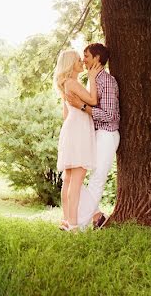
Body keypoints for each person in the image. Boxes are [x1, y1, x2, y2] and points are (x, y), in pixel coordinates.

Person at [53, 49, 102, 231]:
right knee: (75, 181)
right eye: (78, 60)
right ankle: (73, 224)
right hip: (78, 131)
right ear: (70, 64)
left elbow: (66, 114)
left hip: (72, 129)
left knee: (68, 180)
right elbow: (93, 100)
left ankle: (66, 221)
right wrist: (92, 77)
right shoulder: (72, 83)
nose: (82, 62)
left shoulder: (65, 84)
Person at [75, 43, 120, 229]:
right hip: (94, 135)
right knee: (72, 177)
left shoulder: (107, 81)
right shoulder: (92, 79)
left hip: (106, 135)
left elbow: (109, 115)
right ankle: (97, 216)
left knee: (97, 179)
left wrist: (83, 107)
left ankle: (80, 226)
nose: (83, 60)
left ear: (97, 58)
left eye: (86, 56)